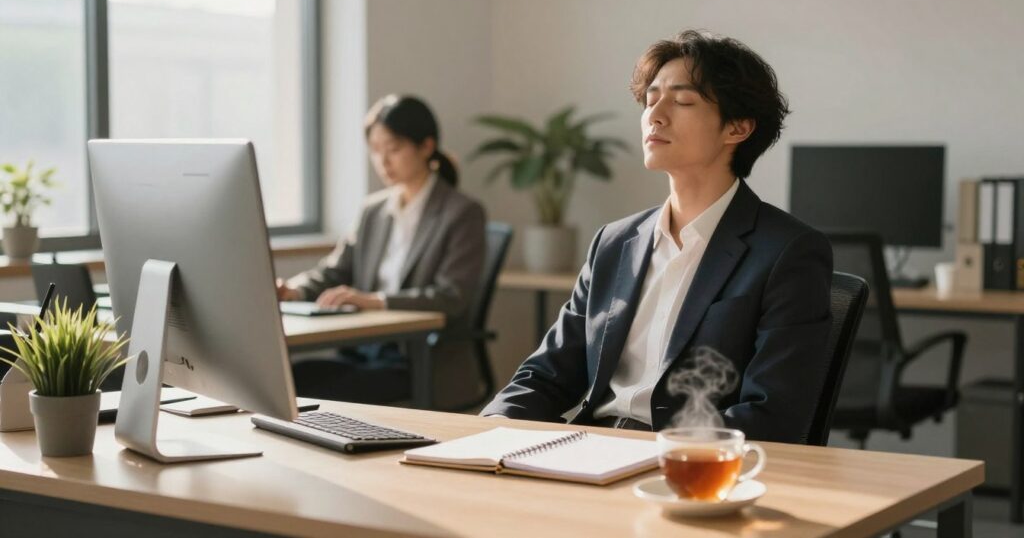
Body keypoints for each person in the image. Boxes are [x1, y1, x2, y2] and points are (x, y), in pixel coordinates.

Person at [481, 30, 833, 443]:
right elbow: (545, 375)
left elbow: (772, 414)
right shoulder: (614, 242)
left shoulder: (787, 252)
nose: (655, 115)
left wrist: (659, 453)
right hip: (590, 450)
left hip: (689, 463)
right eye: (650, 100)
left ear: (737, 128)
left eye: (682, 102)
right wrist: (485, 434)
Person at [280, 94, 487, 404]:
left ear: (426, 146)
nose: (382, 161)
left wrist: (374, 301)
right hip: (362, 351)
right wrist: (294, 291)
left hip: (418, 362)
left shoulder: (461, 212)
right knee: (291, 378)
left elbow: (451, 296)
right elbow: (335, 271)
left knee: (310, 392)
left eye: (393, 149)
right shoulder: (373, 210)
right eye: (375, 150)